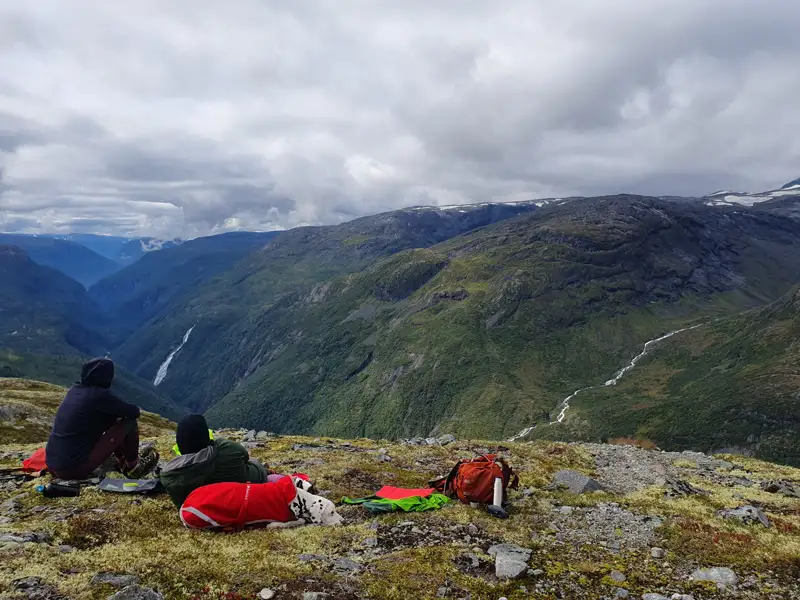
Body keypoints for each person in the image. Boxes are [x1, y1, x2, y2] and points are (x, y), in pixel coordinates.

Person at [46, 358, 159, 480]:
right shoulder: (99, 396)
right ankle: (134, 467)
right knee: (129, 422)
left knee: (110, 418)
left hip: (53, 465)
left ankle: (122, 461)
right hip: (72, 469)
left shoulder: (75, 390)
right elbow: (133, 412)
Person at [160, 414, 269, 507]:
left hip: (204, 515)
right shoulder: (227, 448)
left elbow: (180, 506)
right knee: (259, 466)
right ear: (206, 436)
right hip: (253, 483)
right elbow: (245, 457)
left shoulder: (169, 476)